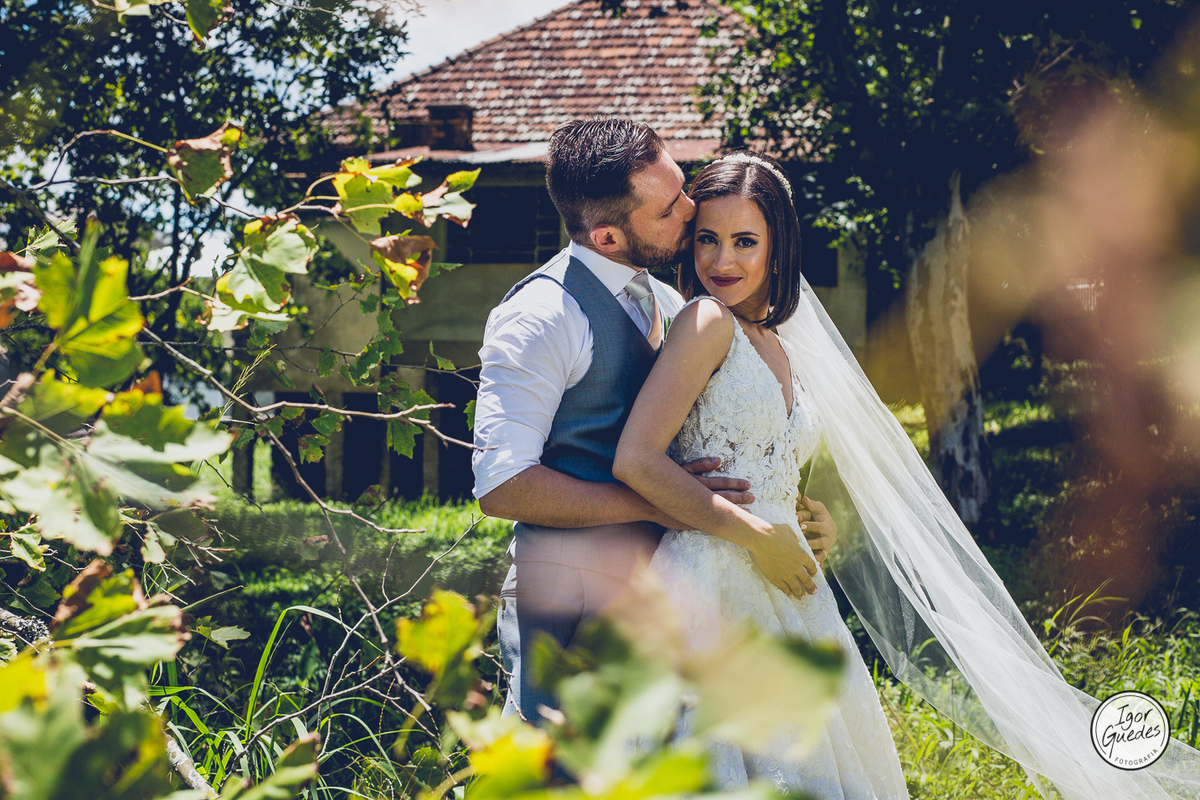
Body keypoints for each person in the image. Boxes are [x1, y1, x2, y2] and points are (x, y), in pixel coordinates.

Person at [615, 151, 1200, 800]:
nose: (722, 261)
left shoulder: (778, 341)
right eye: (708, 240)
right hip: (713, 582)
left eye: (745, 241)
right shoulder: (705, 322)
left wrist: (807, 513)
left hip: (790, 584)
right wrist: (756, 532)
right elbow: (635, 458)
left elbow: (761, 456)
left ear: (779, 248)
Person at [471, 119, 836, 723]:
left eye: (683, 188)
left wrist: (786, 511)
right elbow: (503, 487)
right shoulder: (540, 317)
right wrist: (654, 506)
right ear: (610, 236)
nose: (692, 210)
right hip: (570, 598)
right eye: (671, 208)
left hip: (675, 591)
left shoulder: (670, 304)